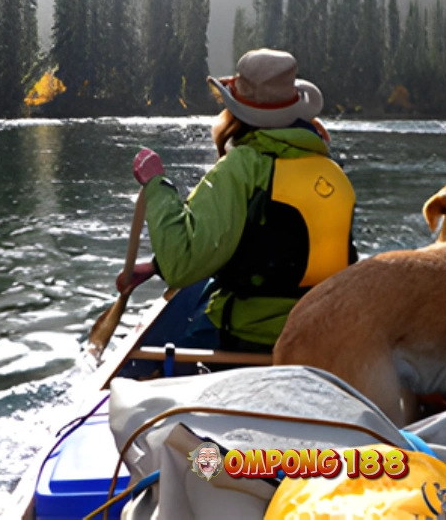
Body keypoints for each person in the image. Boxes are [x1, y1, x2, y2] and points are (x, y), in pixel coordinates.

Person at [117, 48, 357, 352]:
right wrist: (155, 266)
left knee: (193, 324)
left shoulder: (242, 166)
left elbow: (182, 266)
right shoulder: (332, 171)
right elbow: (285, 243)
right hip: (326, 334)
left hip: (251, 339)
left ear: (236, 113)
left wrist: (156, 186)